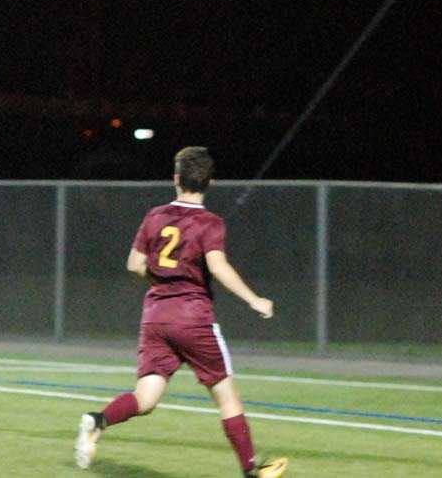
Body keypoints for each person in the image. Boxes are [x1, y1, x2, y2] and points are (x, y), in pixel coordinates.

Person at [74, 147, 288, 478]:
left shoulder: (155, 216)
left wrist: (161, 280)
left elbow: (134, 264)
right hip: (193, 317)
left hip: (156, 316)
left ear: (176, 179)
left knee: (145, 398)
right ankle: (251, 471)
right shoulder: (210, 223)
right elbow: (217, 266)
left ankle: (98, 420)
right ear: (210, 182)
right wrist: (254, 299)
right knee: (227, 398)